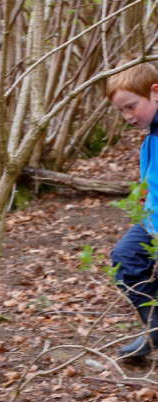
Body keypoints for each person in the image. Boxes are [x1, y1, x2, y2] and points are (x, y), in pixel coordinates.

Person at [107, 54, 158, 357]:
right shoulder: (150, 137)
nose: (127, 116)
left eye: (131, 106)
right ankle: (155, 328)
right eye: (121, 110)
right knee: (126, 259)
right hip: (153, 222)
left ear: (155, 91)